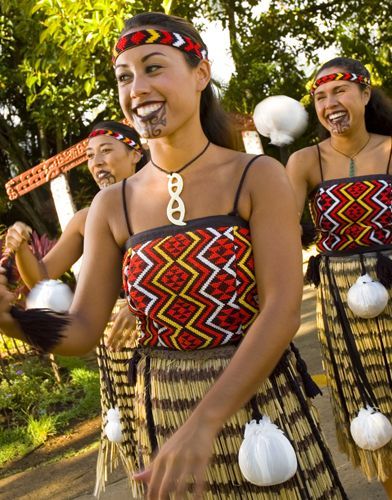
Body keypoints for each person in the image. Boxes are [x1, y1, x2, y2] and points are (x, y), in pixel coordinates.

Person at [0, 13, 347, 499]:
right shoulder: (111, 206)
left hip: (259, 411)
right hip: (164, 414)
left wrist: (206, 421)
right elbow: (81, 330)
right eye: (125, 76)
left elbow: (282, 310)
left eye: (154, 67)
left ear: (200, 74)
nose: (137, 87)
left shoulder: (256, 176)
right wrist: (11, 320)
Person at [4, 120, 148, 495]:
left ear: (136, 153)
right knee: (140, 445)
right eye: (89, 156)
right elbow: (43, 278)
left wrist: (143, 301)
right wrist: (20, 247)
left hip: (172, 340)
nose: (97, 162)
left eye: (106, 151)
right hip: (118, 346)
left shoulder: (163, 200)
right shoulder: (88, 219)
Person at [286, 57, 392, 497]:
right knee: (375, 413)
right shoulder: (304, 161)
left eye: (340, 91)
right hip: (338, 298)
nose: (329, 102)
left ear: (365, 95)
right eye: (320, 96)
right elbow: (284, 233)